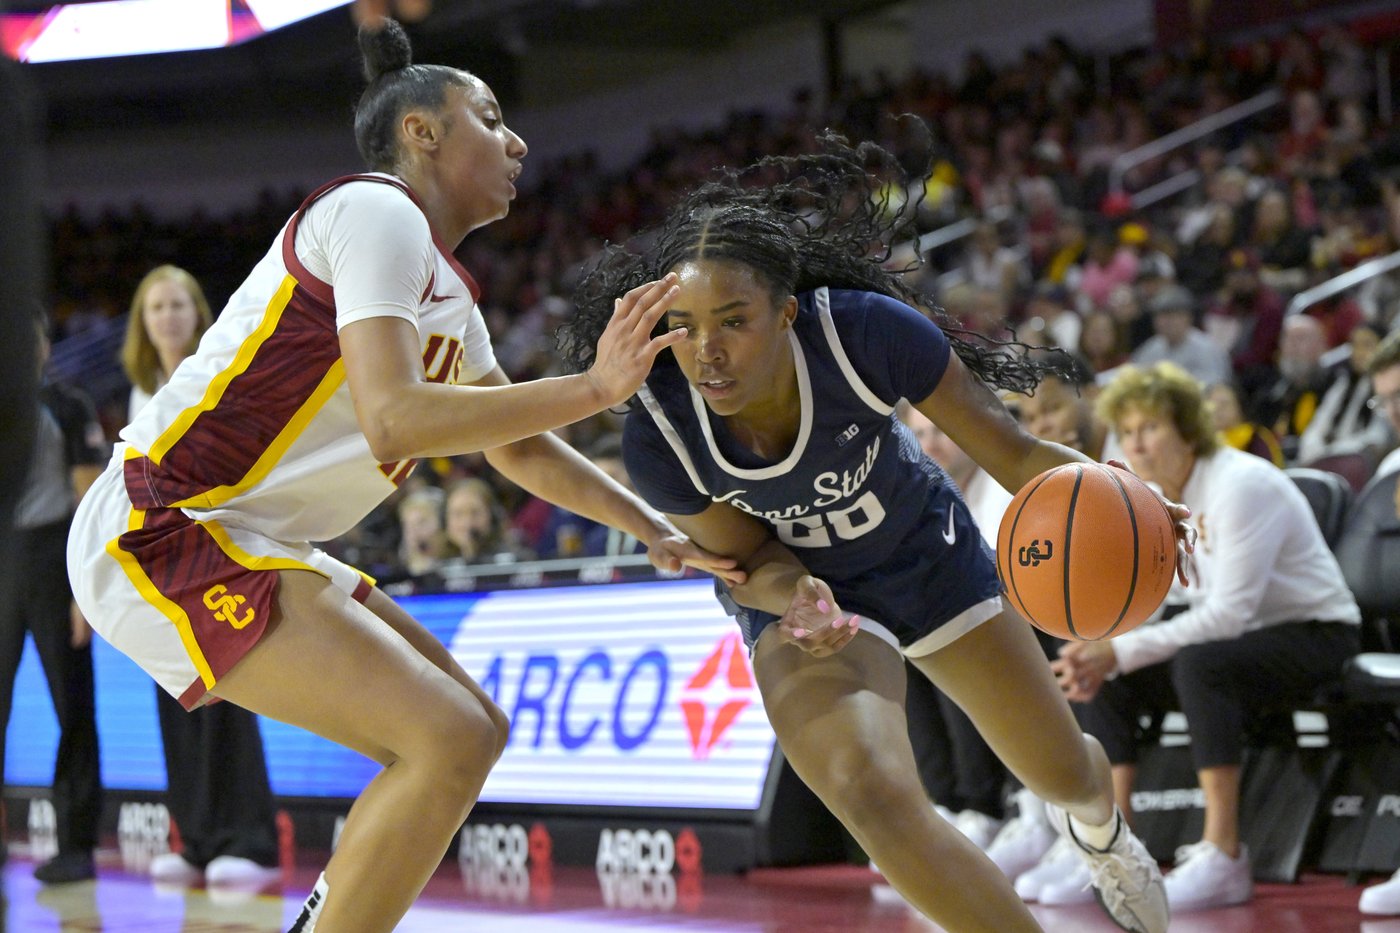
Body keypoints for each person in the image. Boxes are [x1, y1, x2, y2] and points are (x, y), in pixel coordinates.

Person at [66, 20, 736, 933]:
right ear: (421, 132)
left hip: (244, 533)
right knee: (443, 737)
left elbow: (520, 449)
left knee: (474, 731)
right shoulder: (375, 210)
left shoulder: (448, 295)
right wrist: (591, 387)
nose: (517, 142)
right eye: (489, 118)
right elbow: (394, 416)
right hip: (163, 521)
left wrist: (650, 524)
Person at [558, 131, 1191, 933]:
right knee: (868, 792)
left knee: (1064, 771)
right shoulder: (661, 432)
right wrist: (797, 597)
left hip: (924, 554)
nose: (706, 351)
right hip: (801, 595)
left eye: (733, 320)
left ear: (786, 312)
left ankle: (1101, 835)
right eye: (682, 326)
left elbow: (1016, 454)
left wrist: (1131, 501)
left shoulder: (864, 334)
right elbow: (749, 558)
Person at [1049, 362, 1361, 912]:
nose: (1136, 443)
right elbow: (1163, 599)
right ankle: (1114, 849)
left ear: (1189, 429)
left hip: (1317, 636)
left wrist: (1120, 649)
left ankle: (1224, 854)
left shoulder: (1241, 484)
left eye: (1151, 427)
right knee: (1107, 676)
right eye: (1128, 430)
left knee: (1196, 663)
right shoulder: (1153, 497)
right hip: (1236, 641)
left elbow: (1228, 616)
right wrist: (1102, 649)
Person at [121, 264, 284, 891]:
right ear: (142, 322)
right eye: (156, 307)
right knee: (177, 693)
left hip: (218, 552)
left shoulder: (218, 369)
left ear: (197, 312)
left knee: (231, 696)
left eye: (177, 304)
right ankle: (196, 841)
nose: (167, 316)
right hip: (162, 564)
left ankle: (250, 842)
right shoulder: (139, 393)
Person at [0, 308, 105, 885]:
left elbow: (89, 506)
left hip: (54, 559)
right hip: (4, 559)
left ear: (43, 345)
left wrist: (82, 595)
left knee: (73, 705)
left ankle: (76, 845)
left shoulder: (68, 405)